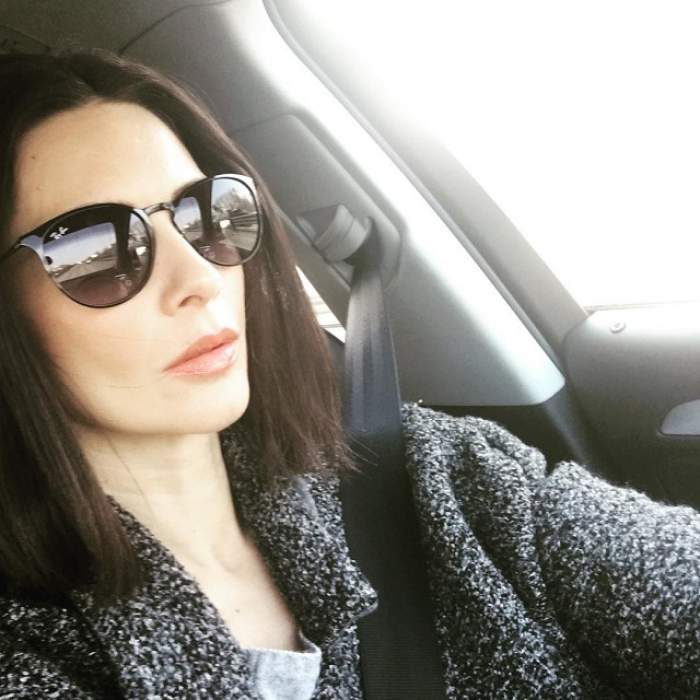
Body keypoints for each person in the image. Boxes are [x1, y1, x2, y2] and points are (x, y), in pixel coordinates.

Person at [0, 48, 697, 700]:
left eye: (207, 213)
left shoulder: (432, 476)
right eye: (97, 250)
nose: (202, 277)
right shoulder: (30, 657)